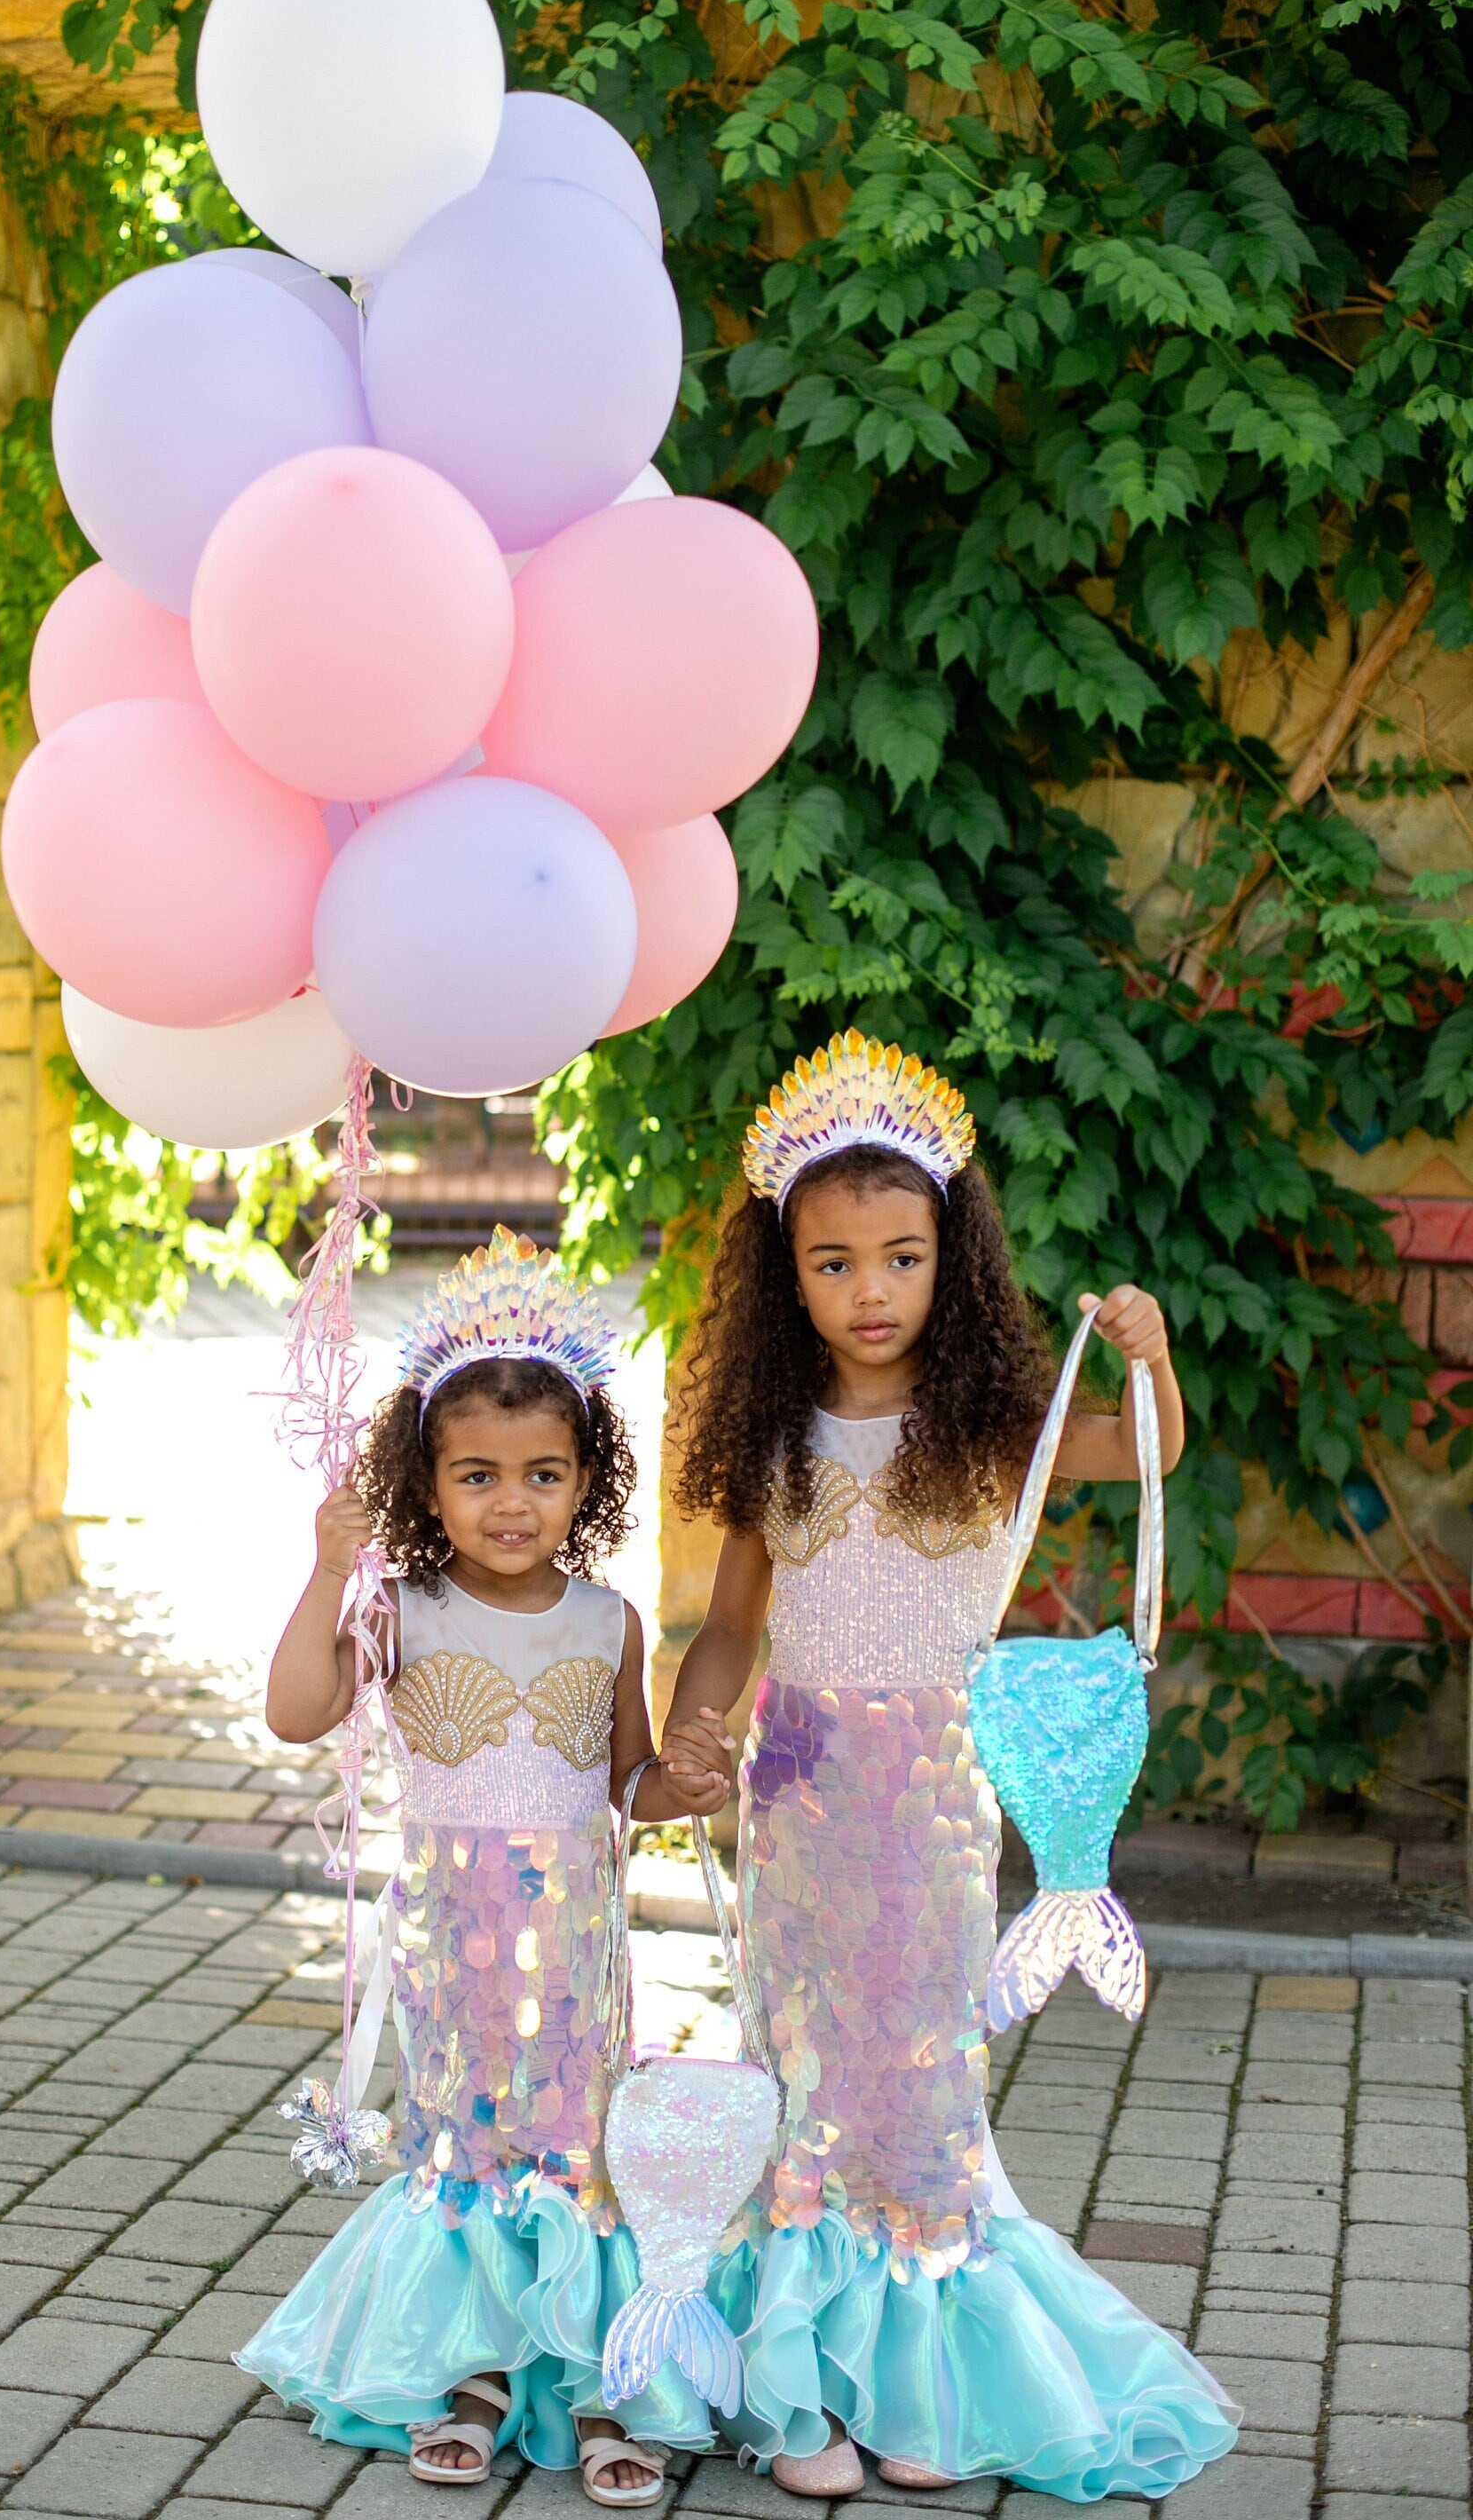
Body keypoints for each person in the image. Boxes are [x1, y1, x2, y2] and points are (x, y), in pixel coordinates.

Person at [660, 1031, 1240, 2502]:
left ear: (951, 1259)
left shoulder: (989, 1428)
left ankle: (913, 2368)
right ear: (788, 1273)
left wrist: (1153, 1359)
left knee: (920, 2067)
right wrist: (694, 1722)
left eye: (902, 1257)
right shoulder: (775, 1436)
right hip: (794, 1793)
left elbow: (1148, 1450)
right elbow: (733, 1626)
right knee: (800, 2062)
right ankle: (799, 2394)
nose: (870, 1292)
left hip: (929, 1795)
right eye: (835, 1263)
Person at [237, 1227, 729, 2507]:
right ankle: (473, 2370)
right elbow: (295, 1713)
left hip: (577, 1957)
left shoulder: (608, 1619)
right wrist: (324, 1568)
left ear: (587, 1482)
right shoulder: (399, 1609)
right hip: (454, 1953)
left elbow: (628, 1780)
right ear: (427, 1481)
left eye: (544, 1474)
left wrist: (685, 1783)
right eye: (476, 1474)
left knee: (579, 2147)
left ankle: (597, 2372)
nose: (512, 1502)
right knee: (469, 2138)